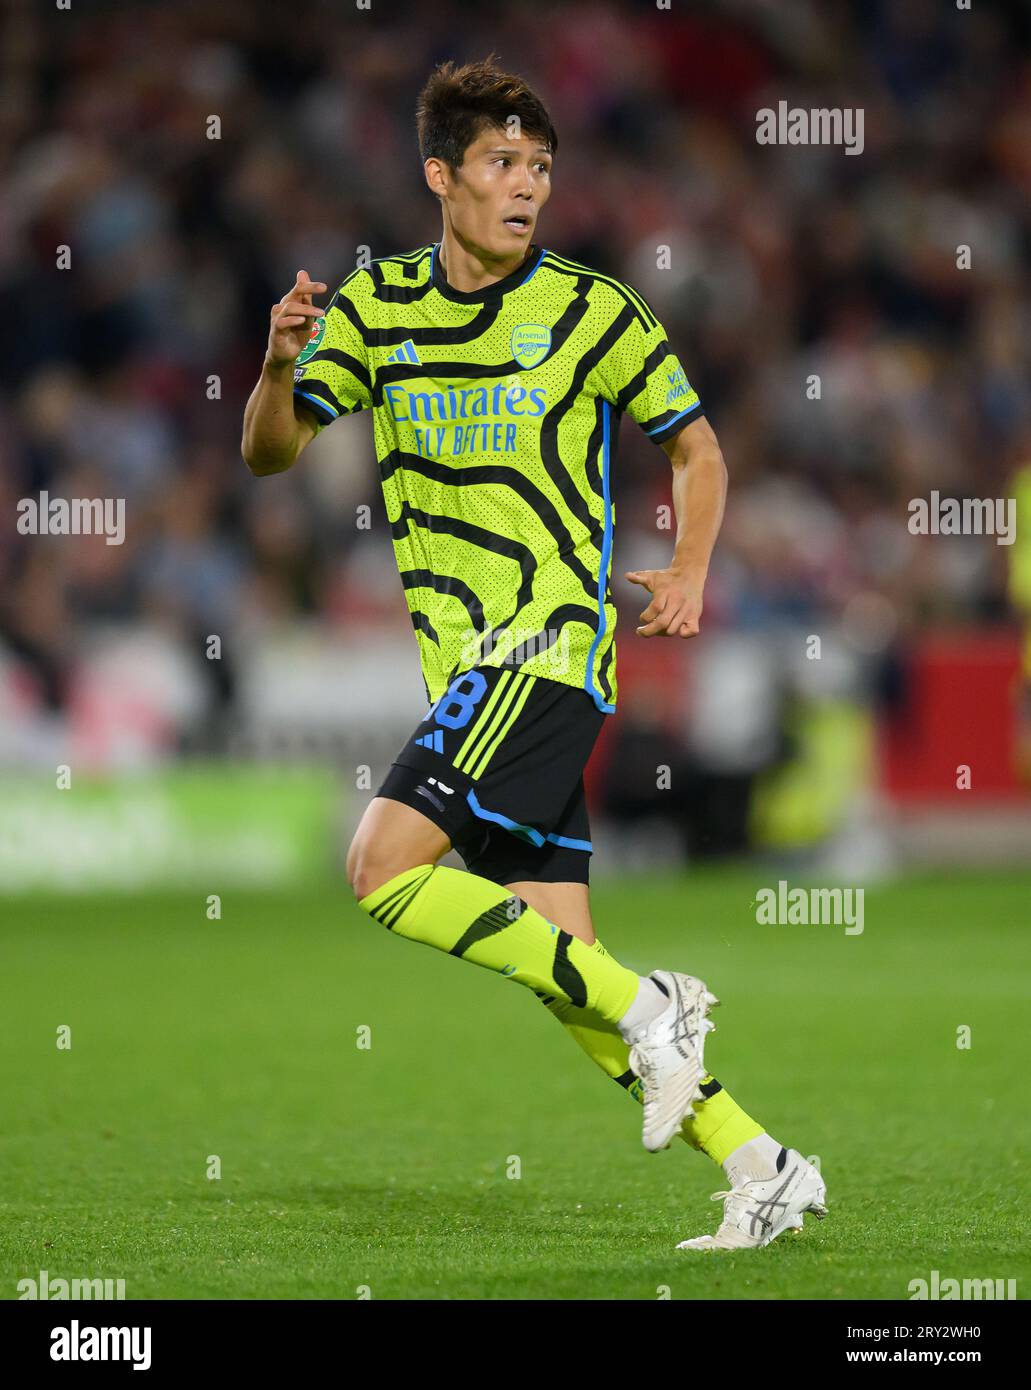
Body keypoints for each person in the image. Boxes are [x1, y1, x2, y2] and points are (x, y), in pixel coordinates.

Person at [241, 56, 826, 1250]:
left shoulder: (593, 308)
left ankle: (655, 1001)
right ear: (438, 175)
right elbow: (269, 453)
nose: (524, 188)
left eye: (540, 168)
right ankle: (760, 1163)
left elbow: (697, 449)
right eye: (502, 164)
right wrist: (273, 365)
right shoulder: (373, 309)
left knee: (380, 868)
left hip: (546, 647)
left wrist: (692, 565)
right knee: (561, 963)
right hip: (464, 667)